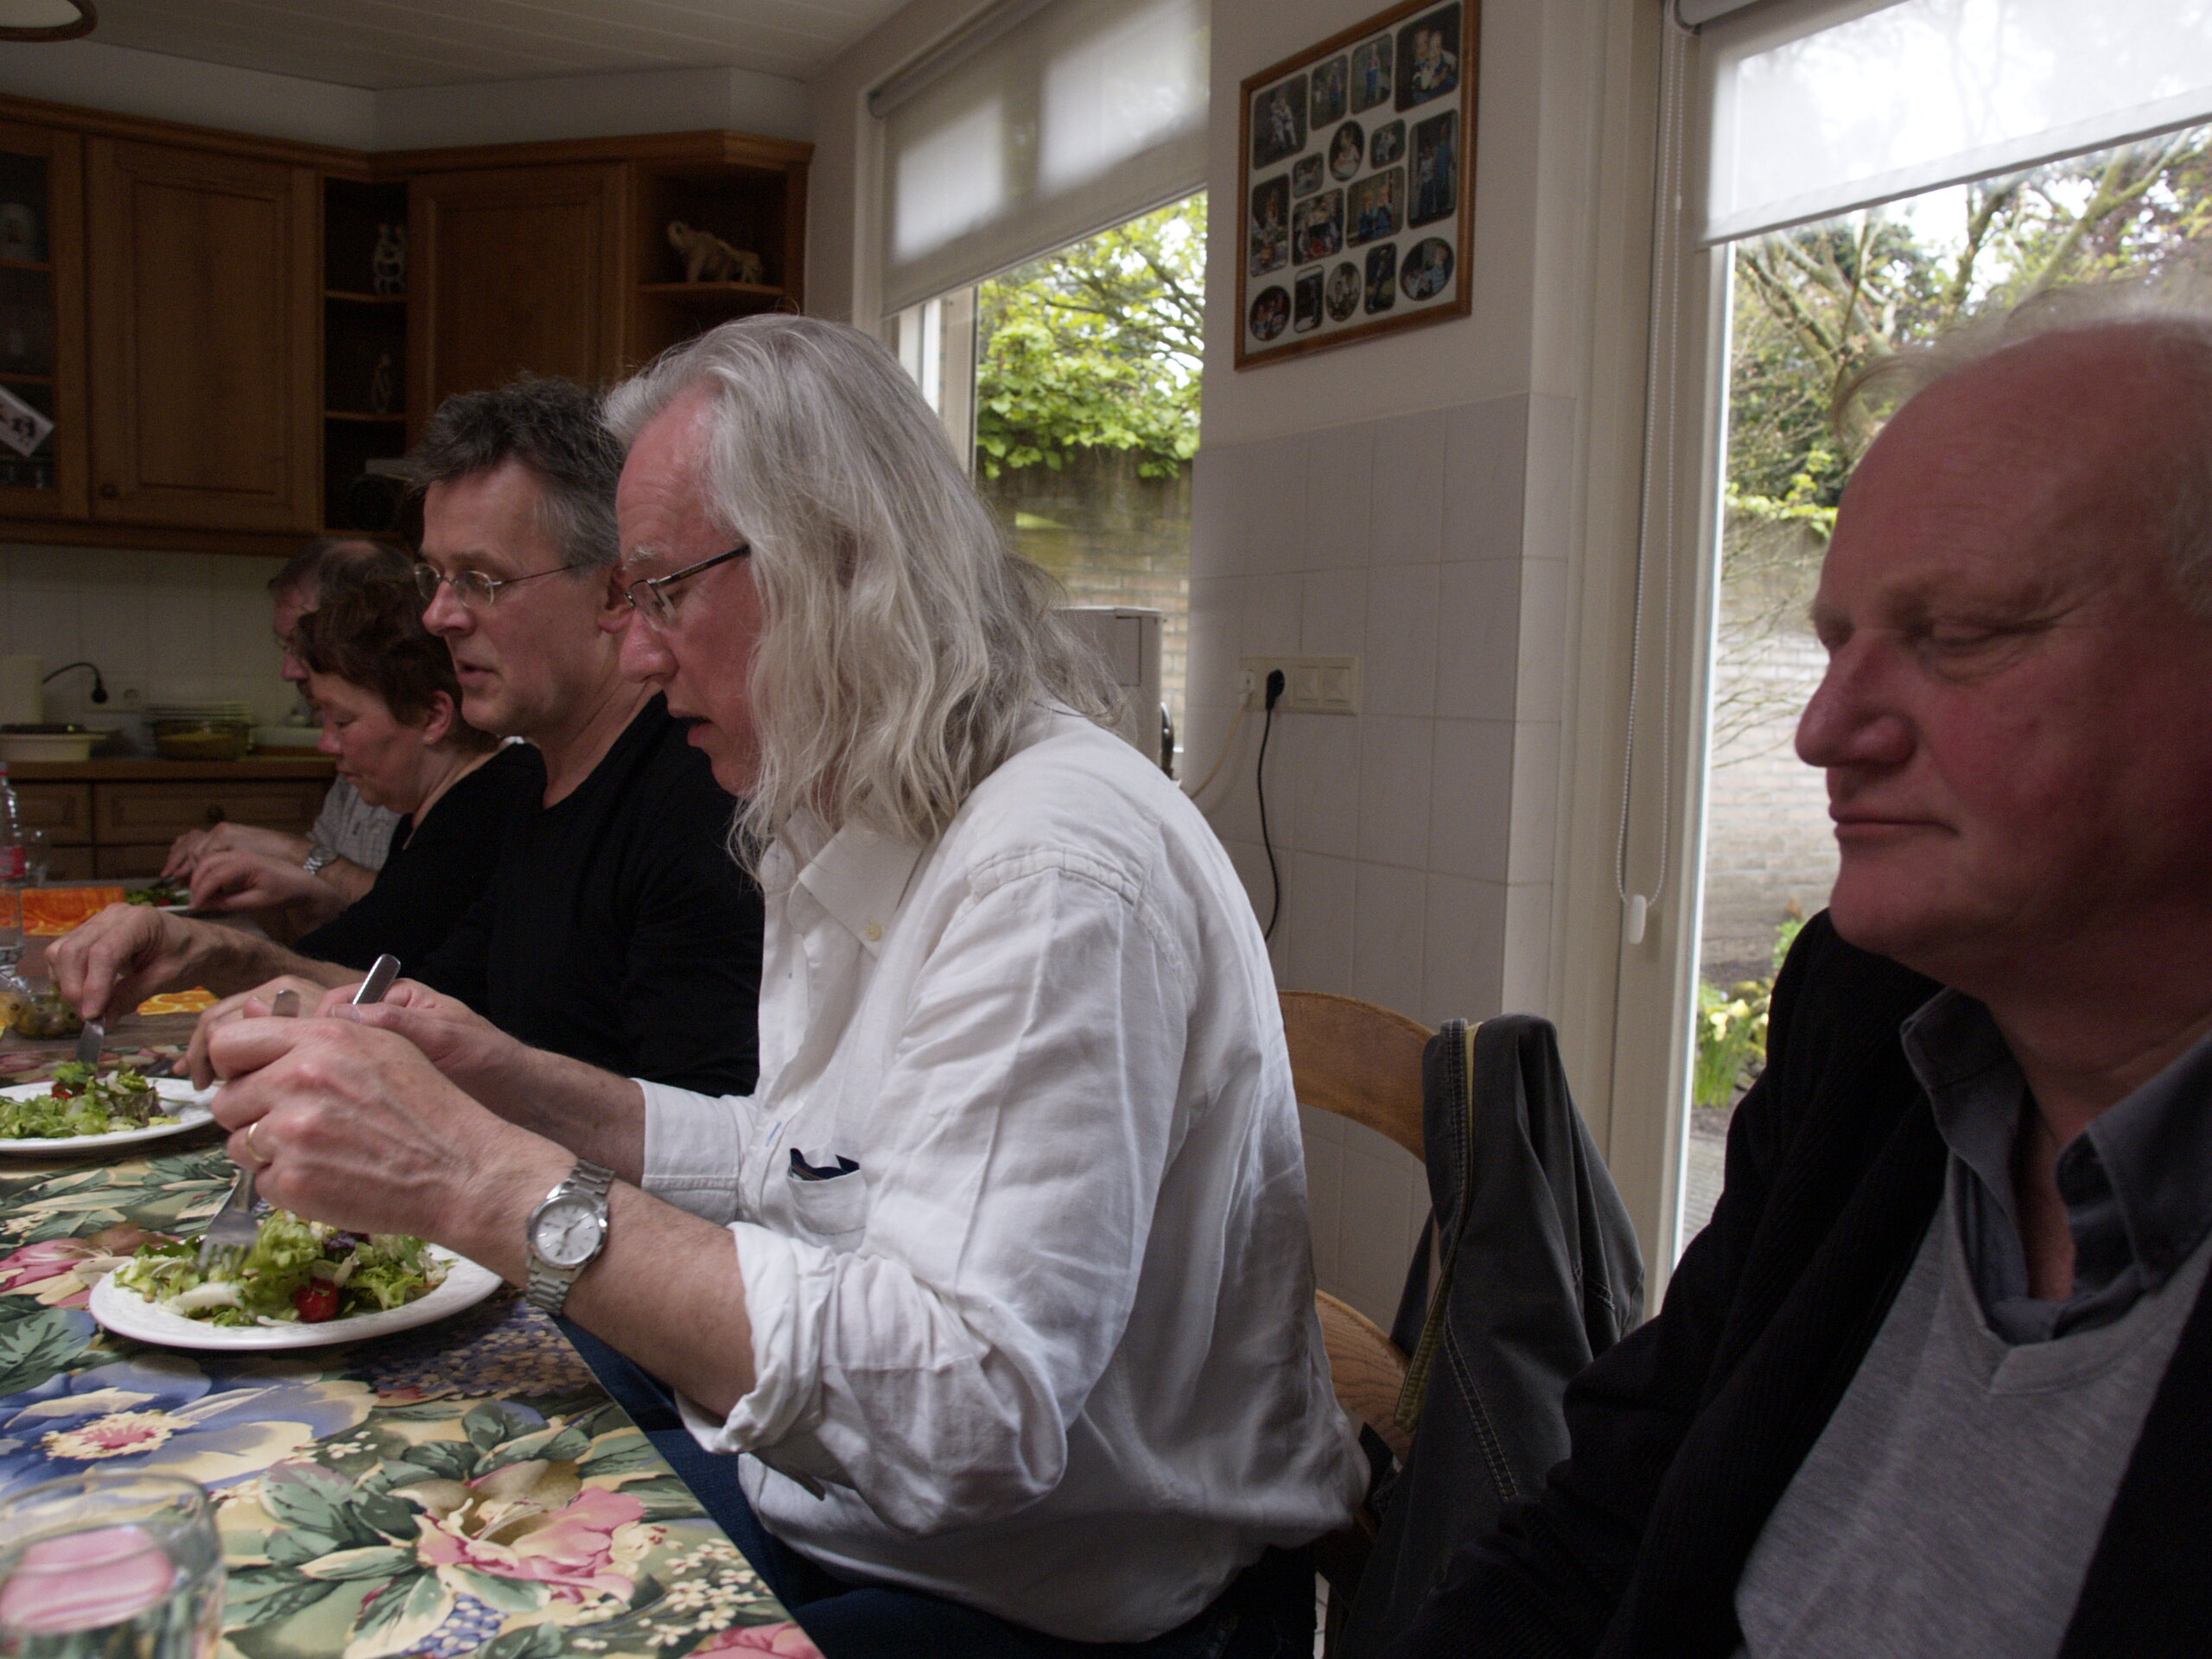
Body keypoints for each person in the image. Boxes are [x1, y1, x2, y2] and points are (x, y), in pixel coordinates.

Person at [197, 315, 1364, 1657]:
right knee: (373, 1532)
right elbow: (806, 1164)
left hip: (1074, 1606)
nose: (640, 654)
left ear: (834, 564)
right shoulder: (864, 801)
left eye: (660, 592)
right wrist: (513, 1086)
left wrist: (478, 1178)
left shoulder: (1048, 866)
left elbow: (970, 1409)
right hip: (865, 1521)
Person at [1380, 306, 2212, 1657]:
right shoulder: (1874, 1018)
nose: (1825, 731)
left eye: (1961, 633)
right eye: (1836, 643)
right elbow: (1606, 1529)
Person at [55, 377, 764, 1099]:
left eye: (481, 580)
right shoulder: (537, 783)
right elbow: (434, 1001)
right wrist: (213, 950)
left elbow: (699, 1124)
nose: (438, 616)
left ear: (613, 592)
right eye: (436, 577)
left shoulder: (699, 796)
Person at [165, 537, 407, 914]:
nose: (288, 671)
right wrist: (239, 858)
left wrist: (285, 850)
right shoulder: (352, 747)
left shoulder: (450, 759)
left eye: (301, 645)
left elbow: (416, 916)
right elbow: (329, 887)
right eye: (286, 647)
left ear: (367, 632)